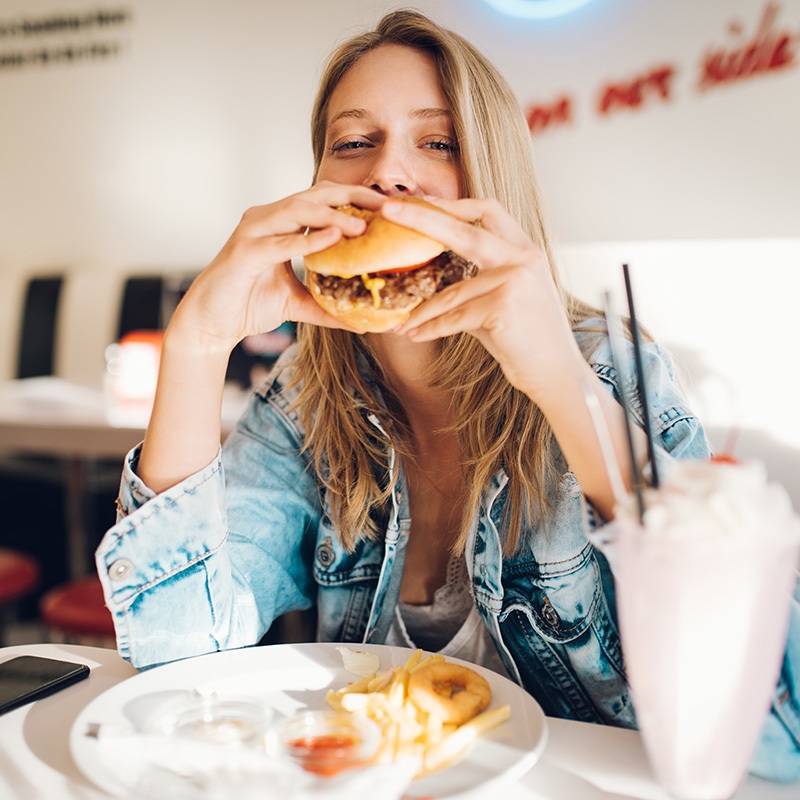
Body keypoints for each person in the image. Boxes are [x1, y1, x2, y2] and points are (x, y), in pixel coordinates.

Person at [96, 9, 799, 781]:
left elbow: (774, 728)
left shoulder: (607, 368)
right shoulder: (304, 400)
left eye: (439, 143)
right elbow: (176, 659)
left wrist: (564, 386)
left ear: (490, 180)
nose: (388, 174)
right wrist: (196, 341)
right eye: (354, 142)